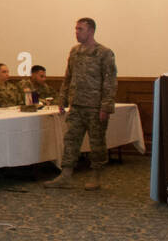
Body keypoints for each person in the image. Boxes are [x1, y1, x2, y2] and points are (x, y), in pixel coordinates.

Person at [45, 17, 118, 191]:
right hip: (76, 105)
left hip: (95, 107)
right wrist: (62, 100)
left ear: (91, 31)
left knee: (97, 142)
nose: (76, 32)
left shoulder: (104, 53)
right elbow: (68, 77)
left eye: (80, 29)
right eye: (76, 29)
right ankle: (66, 175)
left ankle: (96, 176)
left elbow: (110, 82)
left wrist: (105, 107)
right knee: (71, 140)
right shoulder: (75, 51)